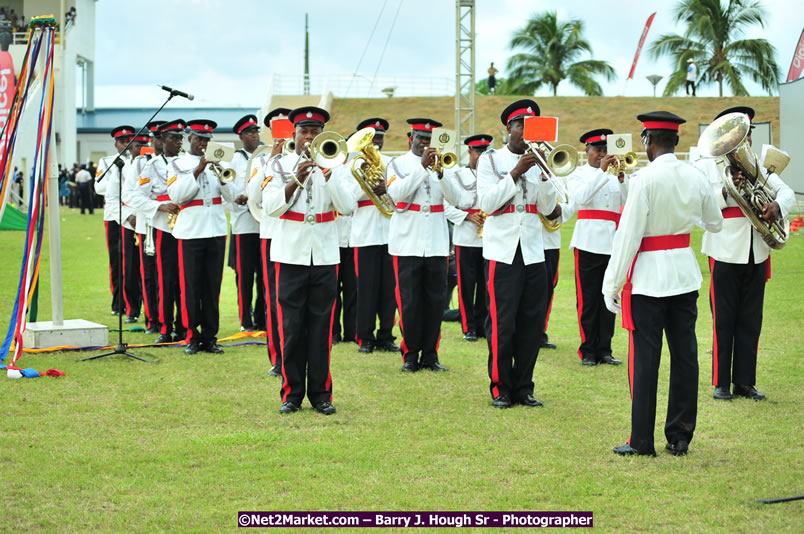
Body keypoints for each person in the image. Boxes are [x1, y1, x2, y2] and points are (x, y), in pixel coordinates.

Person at [602, 111, 723, 457]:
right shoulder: (695, 174)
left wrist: (612, 284)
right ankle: (680, 435)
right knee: (685, 357)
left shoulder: (645, 179)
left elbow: (628, 237)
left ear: (648, 141)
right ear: (676, 141)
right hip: (684, 275)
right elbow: (714, 223)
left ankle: (641, 441)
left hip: (650, 281)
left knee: (645, 361)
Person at [697, 106, 795, 401]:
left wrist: (777, 207)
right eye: (736, 136)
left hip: (757, 251)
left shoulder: (756, 165)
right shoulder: (706, 166)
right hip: (724, 250)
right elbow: (700, 214)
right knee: (723, 320)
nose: (742, 142)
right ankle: (721, 383)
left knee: (751, 320)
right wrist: (727, 193)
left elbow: (786, 192)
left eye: (745, 134)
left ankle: (745, 382)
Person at [263, 106, 357, 415]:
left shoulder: (337, 163)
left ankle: (321, 394)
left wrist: (328, 173)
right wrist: (294, 179)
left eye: (315, 132)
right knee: (292, 327)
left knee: (321, 327)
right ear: (294, 134)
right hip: (290, 254)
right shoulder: (277, 164)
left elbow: (347, 205)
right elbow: (271, 207)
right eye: (304, 131)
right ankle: (291, 394)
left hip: (325, 254)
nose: (310, 137)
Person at [476, 99, 557, 408]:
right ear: (508, 127)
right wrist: (515, 172)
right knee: (501, 321)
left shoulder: (539, 161)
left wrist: (547, 175)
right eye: (521, 124)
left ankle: (524, 386)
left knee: (531, 322)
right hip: (502, 251)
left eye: (531, 125)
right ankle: (500, 386)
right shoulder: (491, 160)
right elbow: (486, 204)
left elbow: (548, 209)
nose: (525, 130)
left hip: (534, 250)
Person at [386, 118, 465, 373]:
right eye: (420, 137)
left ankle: (430, 355)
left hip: (437, 244)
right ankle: (410, 355)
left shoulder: (446, 166)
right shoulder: (397, 164)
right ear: (411, 138)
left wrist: (440, 172)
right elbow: (397, 194)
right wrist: (422, 168)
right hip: (406, 243)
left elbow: (458, 199)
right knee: (409, 302)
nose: (425, 143)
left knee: (435, 302)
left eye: (430, 139)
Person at [167, 119, 234, 354]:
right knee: (191, 286)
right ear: (190, 139)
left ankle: (210, 336)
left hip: (215, 230)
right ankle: (191, 337)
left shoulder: (220, 161)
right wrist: (199, 169)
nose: (203, 143)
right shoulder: (178, 163)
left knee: (212, 286)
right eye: (199, 138)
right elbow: (177, 195)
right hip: (191, 231)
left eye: (207, 139)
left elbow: (232, 196)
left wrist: (222, 176)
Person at [568, 129, 629, 366]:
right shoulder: (578, 174)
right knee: (588, 299)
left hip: (612, 242)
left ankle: (605, 348)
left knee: (609, 296)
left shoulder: (616, 174)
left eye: (605, 150)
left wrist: (622, 176)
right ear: (587, 151)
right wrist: (602, 171)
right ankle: (588, 349)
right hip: (587, 242)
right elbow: (581, 198)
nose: (602, 155)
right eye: (597, 150)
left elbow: (628, 200)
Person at [349, 118, 399, 354]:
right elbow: (347, 198)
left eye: (379, 137)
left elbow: (401, 195)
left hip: (390, 233)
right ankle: (365, 338)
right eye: (372, 138)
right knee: (366, 289)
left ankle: (386, 336)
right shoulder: (352, 163)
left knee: (389, 289)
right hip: (365, 233)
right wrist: (368, 185)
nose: (376, 142)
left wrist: (388, 188)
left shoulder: (391, 162)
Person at [134, 119, 186, 344]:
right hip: (163, 226)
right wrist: (158, 206)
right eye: (173, 138)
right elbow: (136, 195)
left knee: (184, 279)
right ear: (162, 140)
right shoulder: (151, 165)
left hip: (188, 226)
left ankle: (184, 327)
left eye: (180, 138)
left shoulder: (187, 162)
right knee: (165, 279)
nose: (178, 142)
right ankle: (165, 327)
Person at [249, 107, 291, 376]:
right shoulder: (260, 160)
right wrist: (271, 161)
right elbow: (254, 195)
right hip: (273, 233)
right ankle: (278, 357)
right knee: (275, 298)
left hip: (301, 235)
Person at [444, 134, 492, 342]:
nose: (480, 156)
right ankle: (468, 326)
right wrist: (466, 216)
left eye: (484, 152)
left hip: (489, 236)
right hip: (465, 236)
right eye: (477, 152)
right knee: (466, 284)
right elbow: (445, 205)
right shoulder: (456, 174)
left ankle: (482, 325)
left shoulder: (493, 173)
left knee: (485, 284)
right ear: (469, 152)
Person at [123, 121, 166, 334]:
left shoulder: (176, 160)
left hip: (172, 225)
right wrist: (154, 203)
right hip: (147, 223)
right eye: (156, 137)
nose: (159, 141)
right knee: (149, 274)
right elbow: (129, 194)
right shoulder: (141, 163)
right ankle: (153, 320)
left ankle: (170, 319)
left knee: (169, 275)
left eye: (162, 136)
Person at [226, 114, 266, 333]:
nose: (254, 135)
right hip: (243, 224)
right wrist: (237, 198)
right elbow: (226, 187)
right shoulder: (233, 159)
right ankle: (245, 320)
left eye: (256, 131)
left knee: (264, 275)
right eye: (250, 132)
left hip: (264, 225)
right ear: (241, 136)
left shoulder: (266, 156)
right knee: (244, 275)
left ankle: (262, 318)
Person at [94, 125, 134, 315]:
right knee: (117, 260)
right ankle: (118, 303)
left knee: (135, 263)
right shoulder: (107, 161)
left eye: (129, 141)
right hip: (114, 216)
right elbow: (99, 187)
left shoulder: (140, 161)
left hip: (136, 215)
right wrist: (117, 179)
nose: (126, 145)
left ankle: (136, 302)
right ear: (116, 144)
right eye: (122, 142)